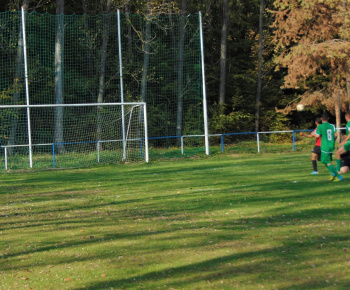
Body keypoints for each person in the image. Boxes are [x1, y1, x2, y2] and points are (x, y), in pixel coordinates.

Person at [313, 113, 343, 181]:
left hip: (325, 146)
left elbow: (317, 136)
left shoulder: (320, 126)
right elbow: (336, 135)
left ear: (321, 119)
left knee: (325, 161)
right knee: (329, 161)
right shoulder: (332, 125)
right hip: (331, 145)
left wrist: (313, 134)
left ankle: (338, 176)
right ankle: (332, 174)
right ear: (328, 118)